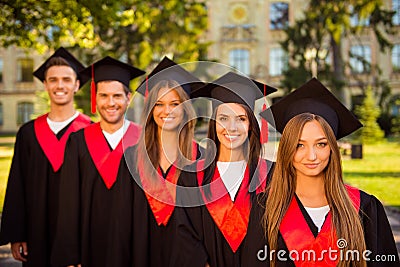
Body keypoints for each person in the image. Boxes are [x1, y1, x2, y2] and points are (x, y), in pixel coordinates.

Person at [243, 78, 400, 266]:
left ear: (333, 148)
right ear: (287, 149)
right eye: (299, 145)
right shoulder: (265, 210)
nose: (312, 156)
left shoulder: (365, 208)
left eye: (321, 144)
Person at [173, 71, 277, 267]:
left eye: (241, 119)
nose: (232, 127)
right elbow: (184, 236)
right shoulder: (191, 178)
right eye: (223, 118)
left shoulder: (271, 175)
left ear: (251, 125)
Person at [0, 47, 91, 266]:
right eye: (53, 80)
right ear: (45, 84)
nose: (60, 86)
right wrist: (17, 234)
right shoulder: (28, 133)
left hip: (79, 238)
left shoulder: (90, 132)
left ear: (76, 85)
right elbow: (17, 185)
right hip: (36, 236)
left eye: (66, 80)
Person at [50, 56, 145, 267]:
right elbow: (68, 203)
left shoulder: (144, 141)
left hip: (136, 247)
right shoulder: (78, 142)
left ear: (128, 98)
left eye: (117, 96)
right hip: (89, 247)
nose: (110, 103)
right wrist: (69, 254)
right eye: (104, 96)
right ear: (96, 98)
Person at [124, 56, 205, 266]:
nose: (166, 111)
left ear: (185, 108)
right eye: (159, 104)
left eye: (174, 103)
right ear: (150, 110)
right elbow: (120, 220)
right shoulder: (132, 158)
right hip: (141, 255)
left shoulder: (202, 158)